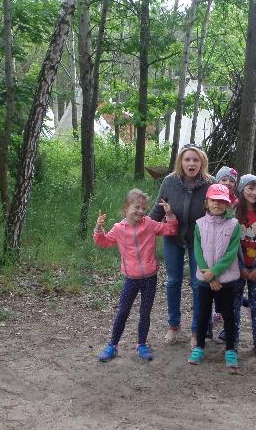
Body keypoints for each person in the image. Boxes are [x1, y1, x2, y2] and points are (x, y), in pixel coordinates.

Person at [94, 189, 178, 362]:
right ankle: (113, 345)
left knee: (145, 312)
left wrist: (169, 214)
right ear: (126, 208)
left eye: (144, 208)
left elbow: (170, 229)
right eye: (136, 207)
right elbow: (103, 242)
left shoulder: (149, 224)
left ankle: (142, 344)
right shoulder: (119, 229)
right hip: (131, 279)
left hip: (150, 278)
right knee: (123, 311)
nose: (141, 211)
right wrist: (98, 228)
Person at [149, 143, 213, 346]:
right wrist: (142, 229)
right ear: (181, 162)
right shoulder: (170, 181)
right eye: (187, 159)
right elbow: (157, 210)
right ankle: (173, 325)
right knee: (173, 281)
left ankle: (196, 330)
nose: (191, 163)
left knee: (198, 283)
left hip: (199, 241)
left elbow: (220, 209)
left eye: (195, 159)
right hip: (173, 237)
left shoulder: (210, 183)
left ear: (201, 162)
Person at [187, 184, 242, 373]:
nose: (217, 204)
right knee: (203, 314)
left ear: (228, 204)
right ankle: (199, 346)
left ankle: (230, 350)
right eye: (213, 200)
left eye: (222, 201)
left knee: (228, 315)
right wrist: (209, 277)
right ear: (206, 203)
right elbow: (198, 251)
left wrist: (216, 272)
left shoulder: (233, 225)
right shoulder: (199, 224)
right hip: (205, 279)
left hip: (227, 280)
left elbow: (232, 252)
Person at [231, 174, 256, 356]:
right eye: (250, 188)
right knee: (235, 304)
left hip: (255, 268)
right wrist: (240, 267)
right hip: (237, 267)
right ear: (242, 189)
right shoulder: (234, 212)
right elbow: (230, 243)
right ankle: (233, 340)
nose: (254, 193)